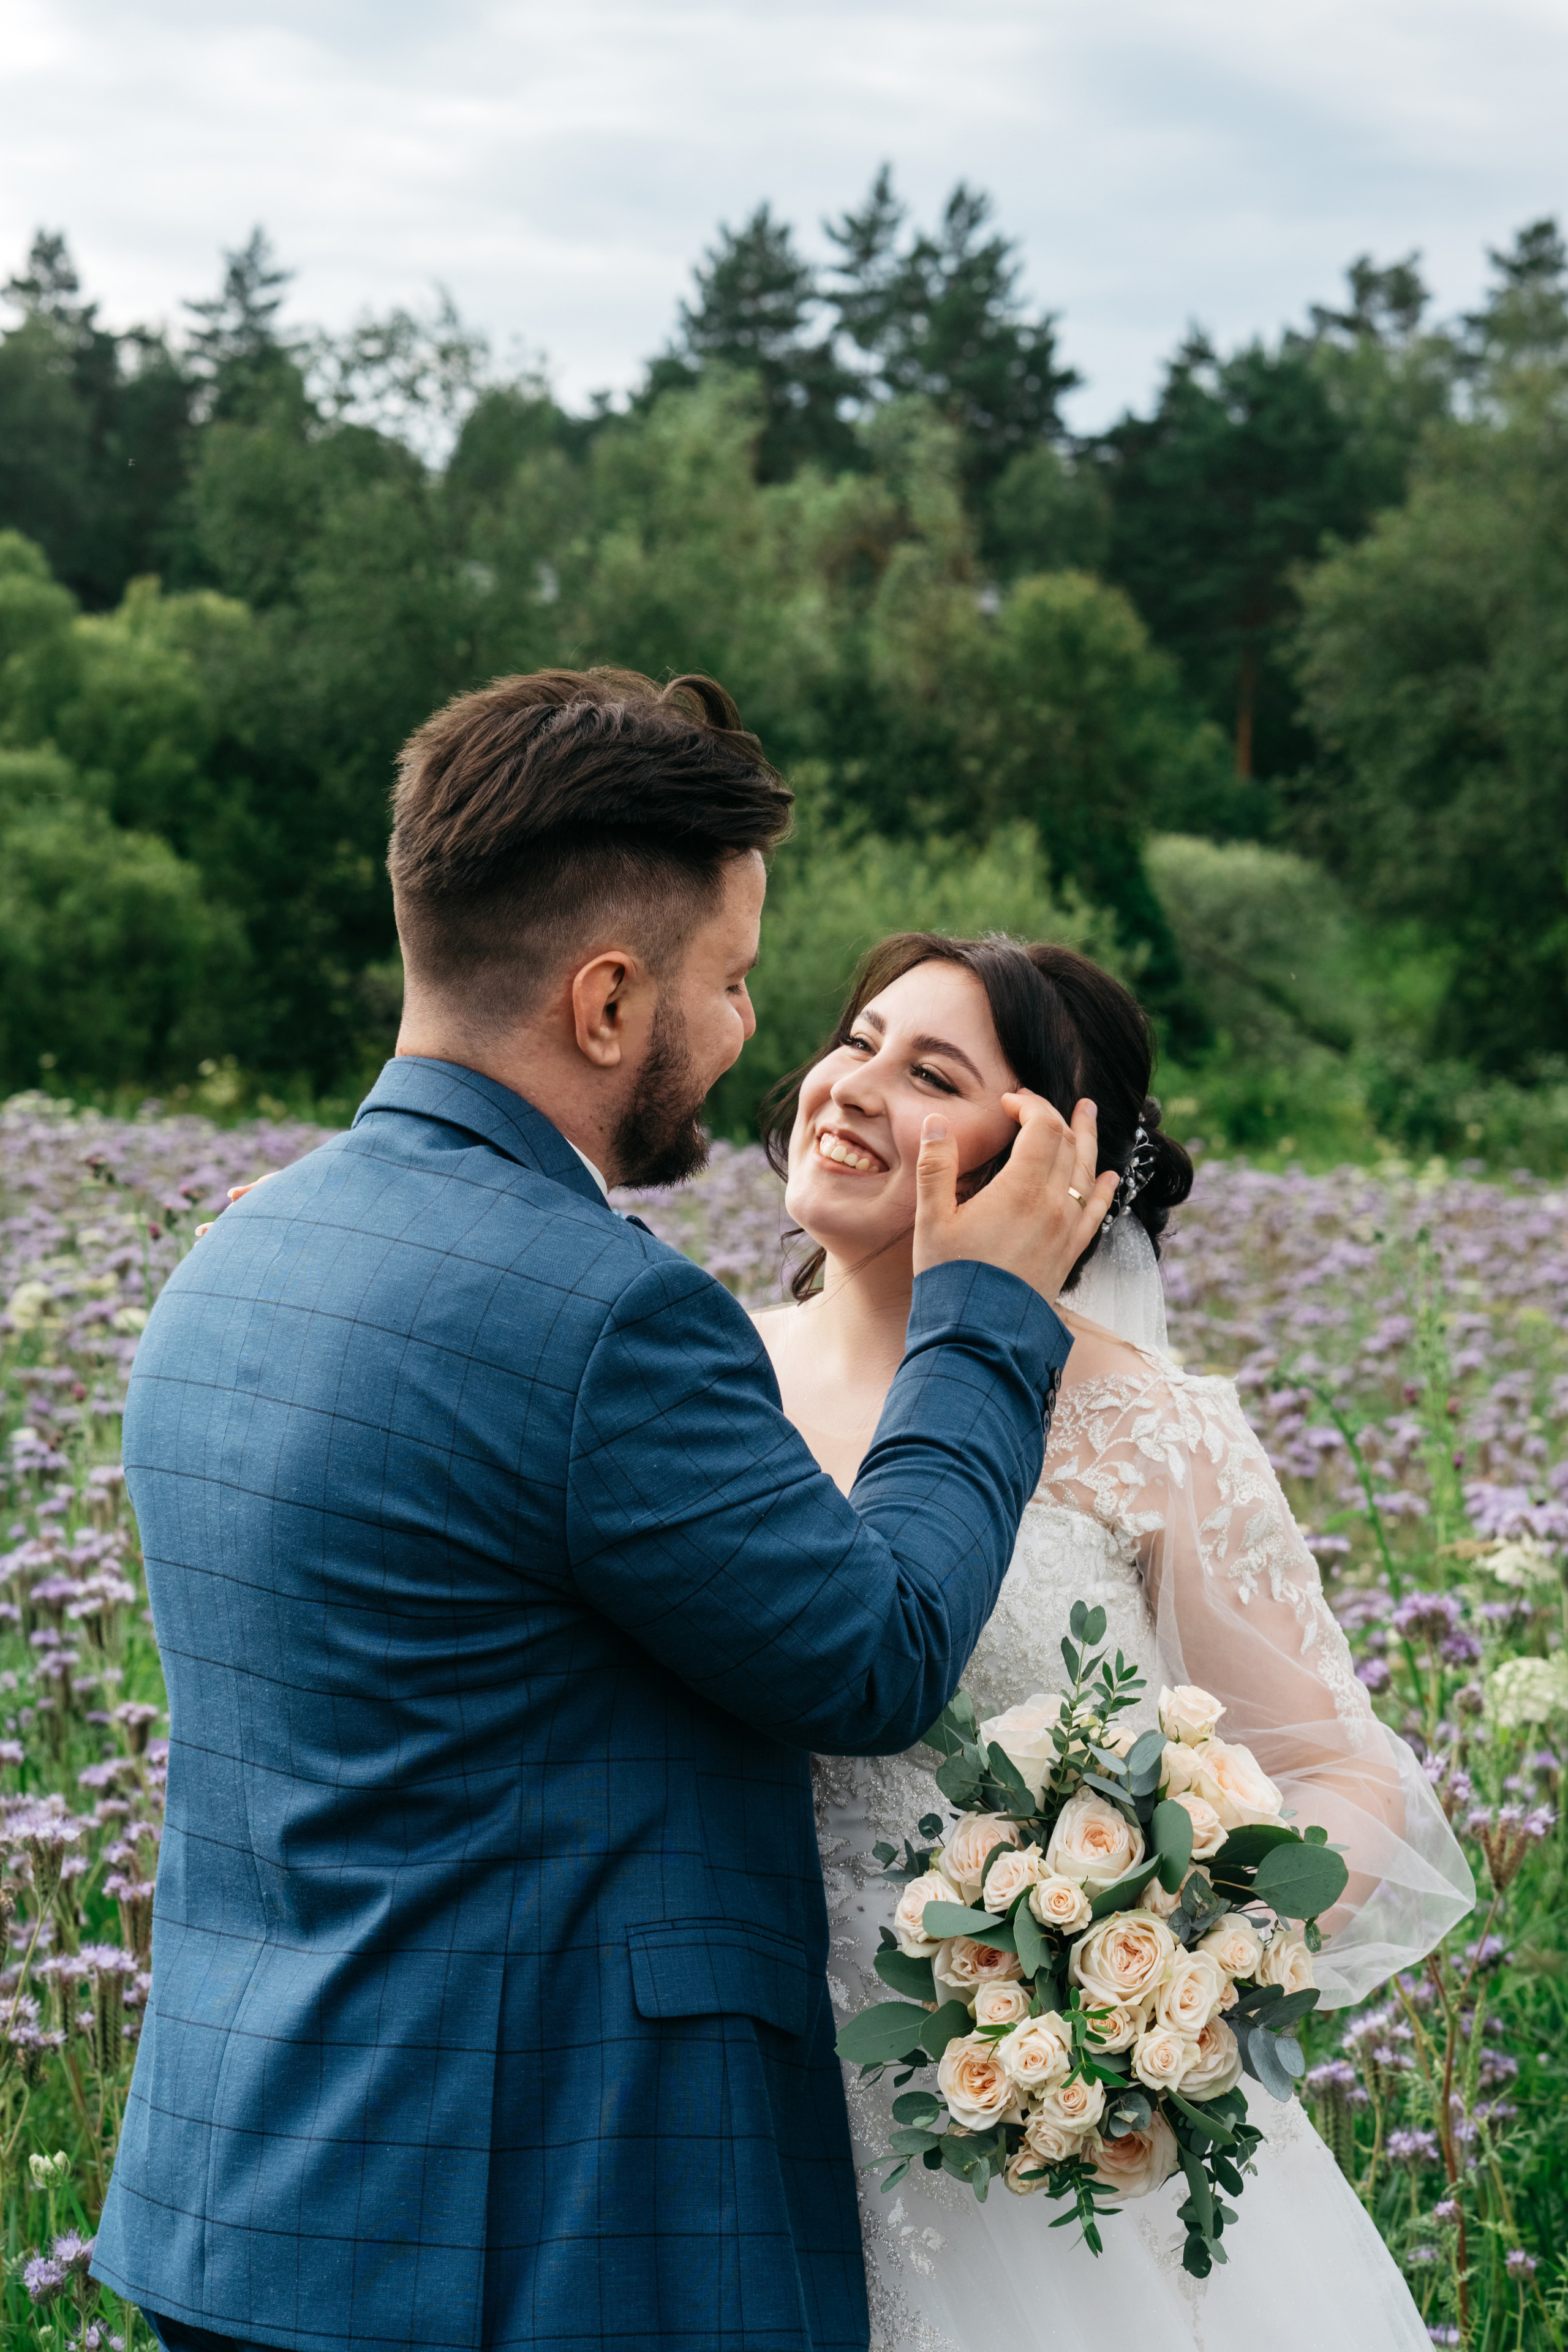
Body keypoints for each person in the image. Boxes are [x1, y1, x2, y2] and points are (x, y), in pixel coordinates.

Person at [90, 671, 1120, 2352]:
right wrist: (985, 1317)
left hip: (241, 2207)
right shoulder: (606, 1313)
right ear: (607, 1000)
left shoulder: (234, 1255)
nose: (743, 1037)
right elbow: (873, 1657)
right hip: (538, 2243)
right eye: (728, 984)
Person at [754, 931, 1476, 2352]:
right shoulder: (703, 1378)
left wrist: (1171, 1974)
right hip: (733, 2096)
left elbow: (1340, 1776)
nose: (847, 1087)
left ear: (1058, 1169)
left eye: (928, 1073)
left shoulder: (1147, 1429)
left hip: (1039, 2152)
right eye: (855, 1039)